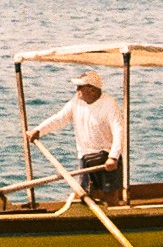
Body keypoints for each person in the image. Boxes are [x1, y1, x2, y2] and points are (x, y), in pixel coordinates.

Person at [26, 70, 125, 199]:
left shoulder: (109, 105)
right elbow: (59, 119)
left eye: (80, 86)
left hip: (106, 157)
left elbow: (119, 131)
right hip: (85, 157)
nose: (76, 89)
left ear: (92, 89)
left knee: (110, 195)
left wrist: (113, 157)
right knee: (85, 194)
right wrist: (39, 130)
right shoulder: (76, 102)